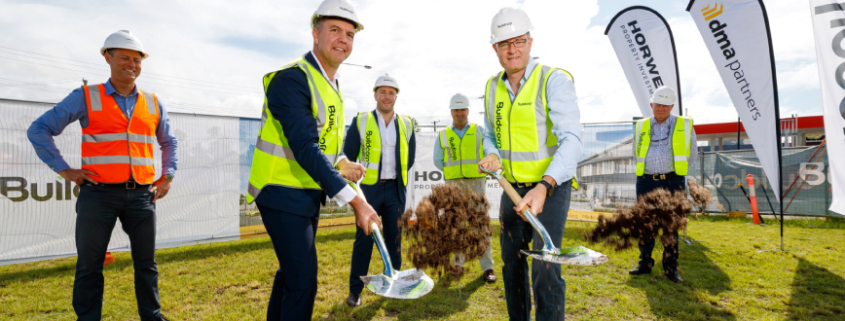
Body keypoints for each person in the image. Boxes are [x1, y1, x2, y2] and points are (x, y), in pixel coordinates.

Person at [26, 30, 176, 321]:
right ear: (108, 57)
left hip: (142, 196)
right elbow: (39, 129)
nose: (131, 64)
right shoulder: (85, 96)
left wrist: (167, 175)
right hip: (98, 195)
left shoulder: (153, 102)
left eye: (137, 59)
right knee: (90, 265)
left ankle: (153, 317)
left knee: (147, 264)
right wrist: (63, 169)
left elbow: (169, 141)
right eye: (124, 58)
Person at [244, 0, 380, 319]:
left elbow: (325, 145)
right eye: (334, 30)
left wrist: (342, 163)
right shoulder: (291, 79)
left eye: (349, 34)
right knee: (303, 283)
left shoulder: (331, 84)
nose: (343, 39)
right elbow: (305, 147)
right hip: (280, 191)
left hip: (304, 193)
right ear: (315, 34)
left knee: (291, 275)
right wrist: (357, 203)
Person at [476, 7, 582, 321]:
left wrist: (544, 185)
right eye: (504, 43)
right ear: (494, 48)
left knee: (546, 270)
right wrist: (491, 152)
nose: (512, 49)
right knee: (511, 265)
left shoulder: (553, 80)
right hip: (513, 193)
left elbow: (573, 139)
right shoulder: (492, 86)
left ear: (530, 42)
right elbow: (489, 134)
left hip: (549, 190)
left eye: (519, 40)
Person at [343, 73, 416, 307]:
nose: (387, 96)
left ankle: (393, 284)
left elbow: (410, 157)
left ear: (396, 96)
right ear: (375, 94)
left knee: (394, 239)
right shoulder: (361, 120)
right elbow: (347, 155)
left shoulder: (406, 124)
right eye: (382, 92)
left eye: (391, 92)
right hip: (369, 192)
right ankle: (355, 291)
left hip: (395, 190)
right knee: (364, 240)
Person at [628, 86, 697, 283]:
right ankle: (645, 263)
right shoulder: (641, 126)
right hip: (646, 180)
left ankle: (670, 267)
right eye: (657, 105)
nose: (661, 108)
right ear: (651, 105)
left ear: (672, 106)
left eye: (665, 105)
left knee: (670, 225)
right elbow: (636, 150)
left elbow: (692, 152)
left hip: (673, 181)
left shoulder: (684, 124)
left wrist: (676, 172)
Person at [433, 93, 496, 283]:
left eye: (463, 109)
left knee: (480, 226)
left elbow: (488, 152)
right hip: (453, 186)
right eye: (456, 110)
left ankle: (488, 268)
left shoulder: (479, 131)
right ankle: (457, 265)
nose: (460, 113)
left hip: (476, 183)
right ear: (451, 112)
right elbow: (437, 160)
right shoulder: (443, 134)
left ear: (468, 111)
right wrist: (453, 173)